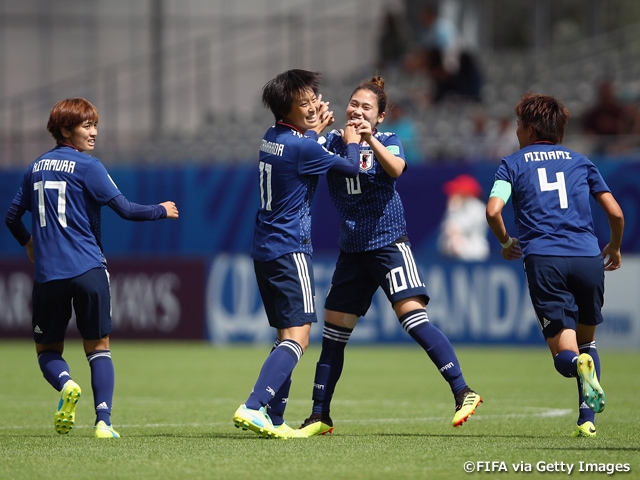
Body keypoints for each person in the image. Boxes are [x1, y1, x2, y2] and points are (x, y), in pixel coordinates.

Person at [298, 76, 482, 436]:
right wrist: (311, 131)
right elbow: (303, 159)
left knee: (414, 320)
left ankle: (464, 391)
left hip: (388, 245)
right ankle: (320, 415)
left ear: (380, 117)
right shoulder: (331, 141)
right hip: (352, 251)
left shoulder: (387, 141)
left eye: (367, 108)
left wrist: (367, 139)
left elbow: (397, 170)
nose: (357, 111)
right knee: (334, 335)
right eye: (354, 104)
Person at [4, 98, 179, 438]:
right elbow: (126, 210)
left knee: (48, 352)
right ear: (65, 129)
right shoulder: (89, 166)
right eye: (86, 125)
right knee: (98, 348)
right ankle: (103, 422)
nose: (94, 132)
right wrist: (161, 209)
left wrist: (29, 243)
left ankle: (66, 383)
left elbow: (11, 217)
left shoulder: (34, 168)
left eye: (94, 124)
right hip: (88, 270)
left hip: (48, 276)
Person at [232, 69, 361, 439]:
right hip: (291, 248)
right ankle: (253, 406)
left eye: (312, 100)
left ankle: (274, 418)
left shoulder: (272, 137)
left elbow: (302, 148)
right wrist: (350, 139)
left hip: (265, 249)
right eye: (302, 103)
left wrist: (312, 132)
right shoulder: (304, 145)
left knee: (284, 335)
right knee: (299, 337)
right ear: (285, 109)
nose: (311, 107)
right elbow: (351, 167)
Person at [486, 92, 624, 438]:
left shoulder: (512, 163)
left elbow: (492, 210)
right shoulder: (581, 161)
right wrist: (616, 248)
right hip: (588, 258)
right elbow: (616, 213)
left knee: (567, 355)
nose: (517, 132)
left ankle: (578, 366)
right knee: (588, 342)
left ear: (531, 130)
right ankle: (587, 419)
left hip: (545, 259)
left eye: (519, 125)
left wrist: (506, 242)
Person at [437, 174, 489, 261]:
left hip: (475, 254)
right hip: (454, 257)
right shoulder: (455, 206)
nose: (454, 194)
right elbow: (446, 229)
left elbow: (456, 229)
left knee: (457, 240)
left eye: (458, 190)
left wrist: (453, 210)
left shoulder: (478, 208)